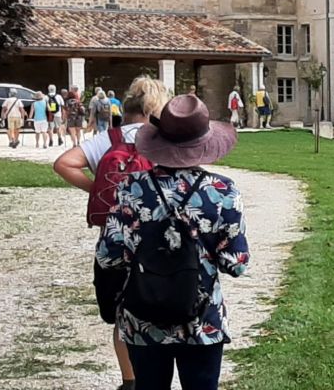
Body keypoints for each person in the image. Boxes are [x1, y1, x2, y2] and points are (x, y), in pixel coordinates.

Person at [97, 94, 249, 390]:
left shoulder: (131, 187)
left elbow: (107, 257)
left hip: (143, 317)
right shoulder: (222, 190)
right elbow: (236, 264)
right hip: (202, 318)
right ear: (204, 143)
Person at [54, 75, 172, 390]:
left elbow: (64, 163)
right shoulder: (162, 139)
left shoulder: (110, 138)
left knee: (123, 311)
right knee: (162, 307)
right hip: (157, 237)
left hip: (115, 237)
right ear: (154, 110)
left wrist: (99, 190)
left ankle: (129, 380)